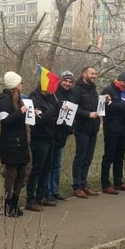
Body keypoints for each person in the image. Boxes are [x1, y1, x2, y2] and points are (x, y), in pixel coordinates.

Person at [0, 72, 30, 217]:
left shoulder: (20, 99)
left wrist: (30, 112)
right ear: (15, 85)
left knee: (22, 173)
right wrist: (20, 113)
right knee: (12, 174)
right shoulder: (3, 100)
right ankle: (8, 205)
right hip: (9, 142)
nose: (22, 85)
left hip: (21, 141)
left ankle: (16, 202)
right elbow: (5, 121)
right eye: (20, 83)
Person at [100, 71, 125, 194]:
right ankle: (105, 184)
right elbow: (105, 108)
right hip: (111, 128)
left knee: (120, 157)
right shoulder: (108, 90)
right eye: (124, 83)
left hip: (123, 128)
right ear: (117, 80)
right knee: (109, 157)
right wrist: (124, 104)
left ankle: (118, 182)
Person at [26, 81, 60, 211]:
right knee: (37, 169)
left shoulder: (51, 98)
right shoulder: (34, 99)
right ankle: (30, 199)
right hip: (39, 138)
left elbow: (53, 116)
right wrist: (55, 109)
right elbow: (41, 119)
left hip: (51, 137)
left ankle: (41, 197)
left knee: (47, 168)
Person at [71, 66, 100, 198]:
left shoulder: (94, 90)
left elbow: (98, 108)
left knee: (88, 159)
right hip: (82, 128)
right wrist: (88, 114)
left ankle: (84, 184)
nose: (94, 76)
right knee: (80, 158)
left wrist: (105, 102)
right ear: (84, 74)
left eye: (95, 74)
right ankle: (77, 186)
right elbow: (73, 109)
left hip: (93, 129)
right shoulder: (76, 90)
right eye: (92, 73)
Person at [45, 71, 74, 202]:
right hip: (52, 132)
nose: (67, 84)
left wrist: (69, 130)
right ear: (61, 81)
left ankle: (55, 190)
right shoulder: (54, 94)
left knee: (57, 163)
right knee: (49, 164)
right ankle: (47, 191)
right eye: (65, 81)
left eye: (70, 82)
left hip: (63, 133)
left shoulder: (72, 95)